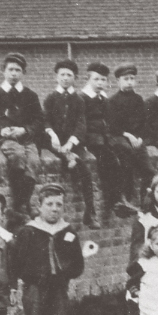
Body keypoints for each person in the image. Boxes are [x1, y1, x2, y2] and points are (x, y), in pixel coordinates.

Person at [9, 183, 86, 315]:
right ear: (40, 206)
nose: (54, 209)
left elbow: (78, 265)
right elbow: (15, 262)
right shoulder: (28, 232)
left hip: (58, 291)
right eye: (49, 204)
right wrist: (16, 286)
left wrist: (64, 273)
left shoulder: (68, 232)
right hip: (35, 289)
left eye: (59, 204)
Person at [0, 53, 45, 221]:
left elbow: (39, 120)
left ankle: (22, 203)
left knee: (34, 162)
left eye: (18, 70)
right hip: (6, 140)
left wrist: (24, 130)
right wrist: (2, 130)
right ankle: (21, 204)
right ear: (3, 71)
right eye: (10, 69)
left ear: (23, 73)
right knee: (18, 156)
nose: (14, 73)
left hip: (26, 138)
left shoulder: (30, 95)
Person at [43, 59, 96, 226]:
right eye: (62, 75)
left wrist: (71, 143)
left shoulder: (79, 100)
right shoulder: (50, 98)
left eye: (69, 75)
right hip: (54, 143)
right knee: (69, 161)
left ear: (75, 78)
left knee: (86, 173)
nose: (65, 78)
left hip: (72, 143)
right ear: (56, 77)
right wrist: (52, 134)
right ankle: (69, 159)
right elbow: (45, 120)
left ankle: (90, 213)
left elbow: (81, 124)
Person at [78, 61, 133, 223]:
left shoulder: (104, 99)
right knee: (108, 162)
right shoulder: (82, 98)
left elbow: (108, 122)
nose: (100, 83)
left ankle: (120, 199)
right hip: (90, 140)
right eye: (96, 79)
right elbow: (82, 123)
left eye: (103, 80)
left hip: (104, 139)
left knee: (121, 155)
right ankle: (115, 201)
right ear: (88, 80)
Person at [106, 63, 151, 208]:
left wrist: (139, 137)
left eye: (132, 78)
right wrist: (128, 135)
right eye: (126, 79)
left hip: (137, 139)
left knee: (149, 170)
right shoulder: (112, 101)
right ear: (118, 81)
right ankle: (125, 199)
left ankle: (146, 202)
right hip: (120, 138)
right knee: (127, 162)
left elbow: (144, 122)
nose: (130, 82)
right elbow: (113, 126)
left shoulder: (138, 100)